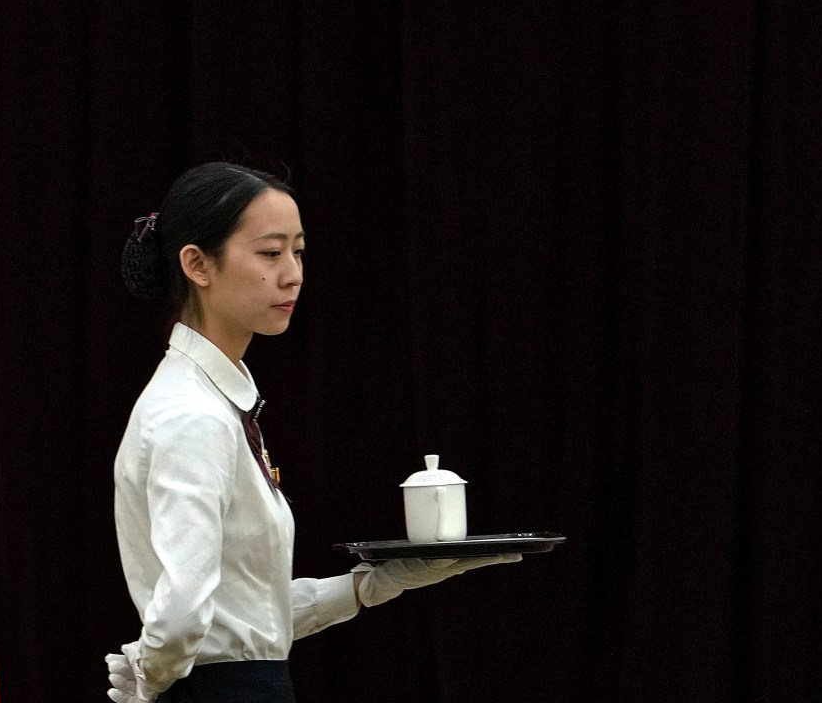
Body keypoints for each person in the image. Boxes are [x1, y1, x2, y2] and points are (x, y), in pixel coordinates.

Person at [106, 163, 516, 702]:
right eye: (270, 253)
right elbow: (186, 619)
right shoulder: (192, 414)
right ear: (197, 264)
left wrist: (371, 585)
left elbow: (243, 621)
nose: (293, 273)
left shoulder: (215, 403)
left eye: (298, 252)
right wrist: (150, 678)